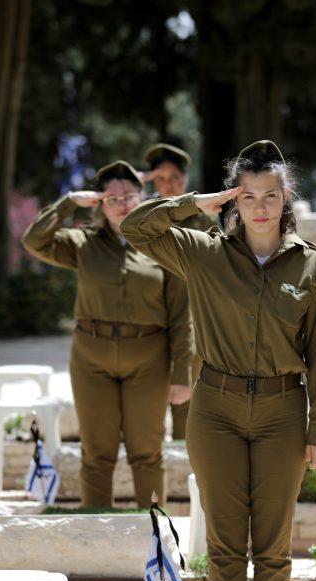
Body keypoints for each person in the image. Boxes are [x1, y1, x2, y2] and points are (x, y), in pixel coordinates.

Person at [121, 140, 316, 581]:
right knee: (223, 547)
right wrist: (192, 204)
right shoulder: (202, 253)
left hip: (282, 411)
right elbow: (134, 227)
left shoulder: (312, 265)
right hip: (215, 409)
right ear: (232, 201)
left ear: (286, 198)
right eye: (247, 196)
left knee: (273, 548)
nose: (259, 207)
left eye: (269, 196)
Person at [22, 161, 192, 509]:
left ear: (143, 198)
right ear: (100, 203)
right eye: (112, 198)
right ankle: (95, 529)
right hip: (91, 357)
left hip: (148, 358)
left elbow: (180, 315)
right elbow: (34, 240)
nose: (122, 204)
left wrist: (181, 374)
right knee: (97, 452)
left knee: (146, 452)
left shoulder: (164, 245)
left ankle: (153, 537)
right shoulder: (84, 243)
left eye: (129, 196)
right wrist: (68, 203)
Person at [142, 143, 216, 440]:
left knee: (188, 408)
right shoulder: (142, 215)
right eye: (160, 178)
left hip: (189, 321)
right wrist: (139, 181)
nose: (169, 185)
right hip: (151, 322)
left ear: (185, 180)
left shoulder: (202, 219)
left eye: (175, 177)